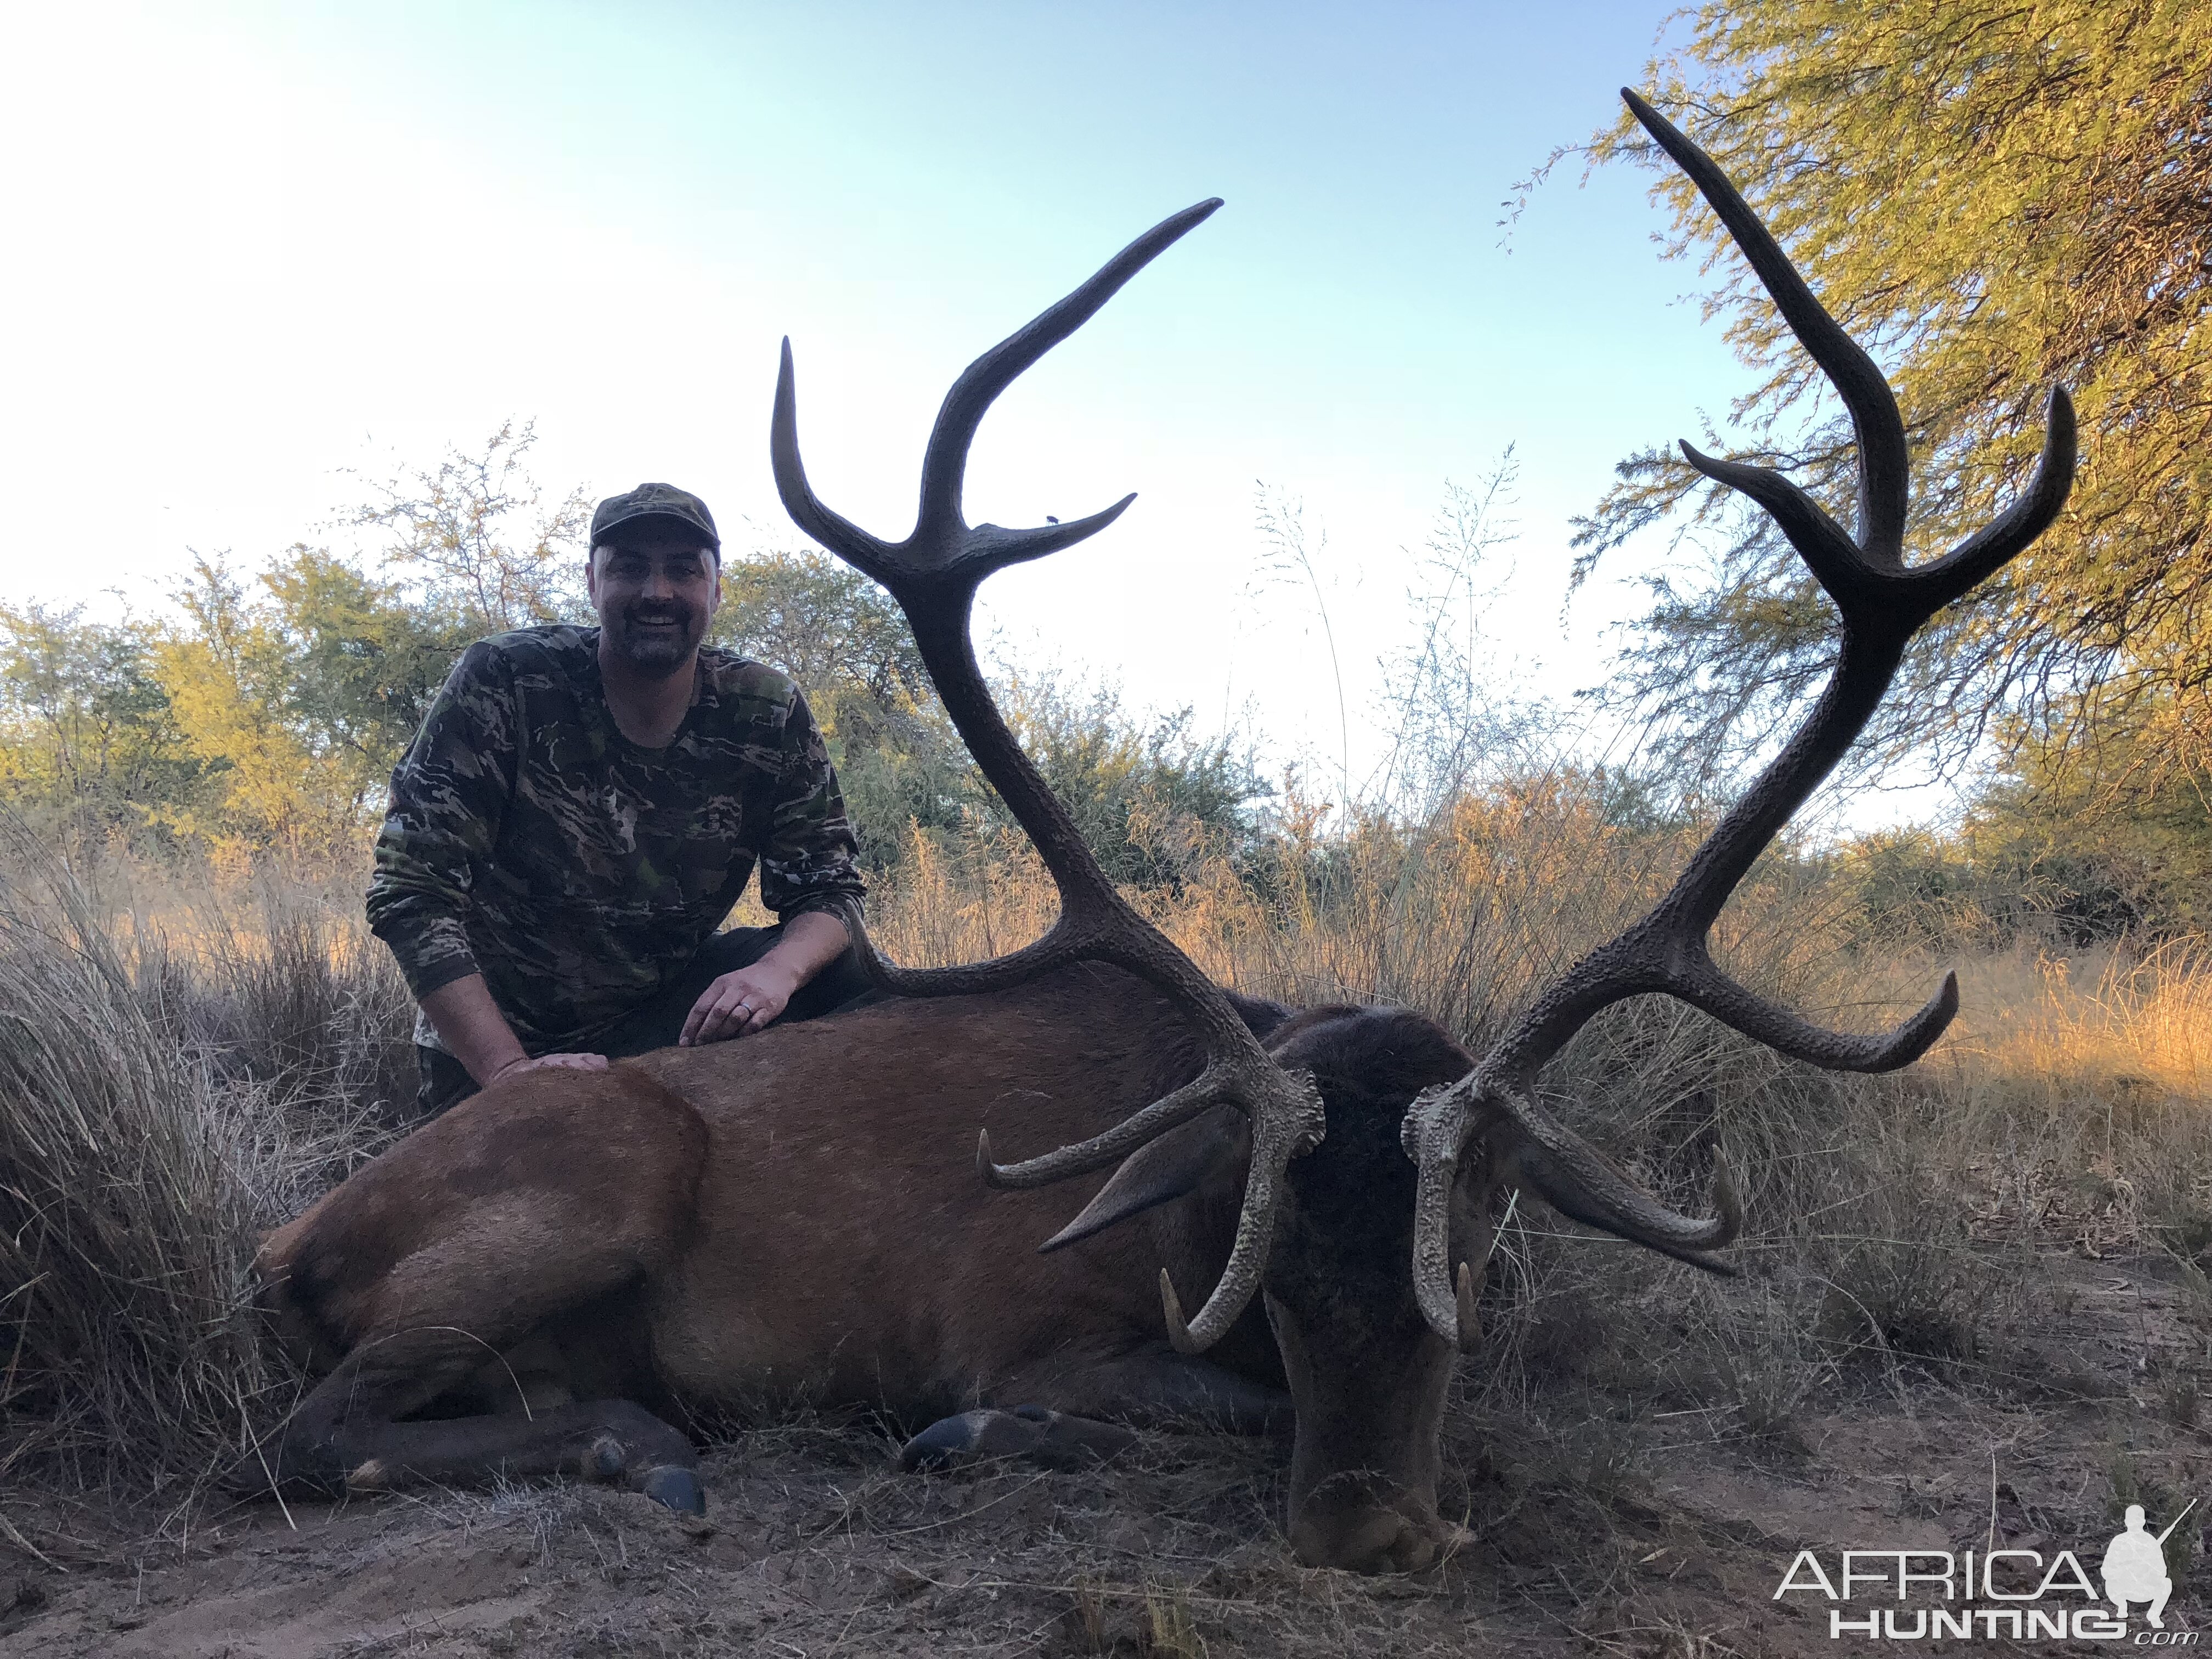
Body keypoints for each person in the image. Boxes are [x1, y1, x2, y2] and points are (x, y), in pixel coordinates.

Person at [367, 481, 873, 1116]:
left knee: (856, 979)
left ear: (716, 590)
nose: (657, 591)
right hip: (503, 1039)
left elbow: (830, 893)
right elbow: (411, 892)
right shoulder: (505, 680)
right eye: (630, 568)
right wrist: (509, 1072)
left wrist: (775, 974)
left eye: (682, 570)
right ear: (592, 583)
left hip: (670, 1016)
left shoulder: (766, 709)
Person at [2101, 1504, 2174, 1628]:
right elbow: (2106, 1571)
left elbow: (2162, 1571)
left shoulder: (2151, 1542)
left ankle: (2154, 1615)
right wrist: (2125, 1570)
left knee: (2166, 1583)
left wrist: (2146, 1570)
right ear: (2126, 1522)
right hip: (2122, 1589)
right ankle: (2122, 1606)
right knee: (2110, 1582)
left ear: (2143, 1522)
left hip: (2144, 1590)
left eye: (2137, 1520)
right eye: (2132, 1520)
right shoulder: (2119, 1541)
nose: (2135, 1523)